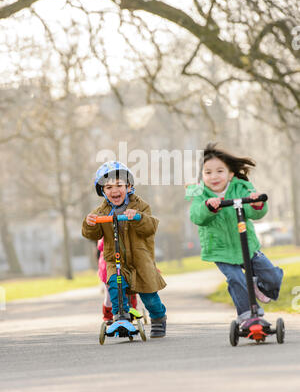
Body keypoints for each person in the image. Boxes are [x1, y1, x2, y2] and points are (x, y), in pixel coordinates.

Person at [186, 143, 283, 324]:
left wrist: (255, 203)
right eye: (208, 172)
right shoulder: (200, 193)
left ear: (230, 173)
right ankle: (247, 316)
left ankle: (258, 286)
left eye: (219, 171)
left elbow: (256, 213)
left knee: (272, 276)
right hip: (220, 250)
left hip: (247, 245)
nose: (214, 176)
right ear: (202, 176)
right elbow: (196, 216)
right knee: (236, 278)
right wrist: (208, 207)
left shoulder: (242, 187)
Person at [82, 161, 167, 338]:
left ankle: (158, 317)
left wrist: (138, 218)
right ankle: (121, 317)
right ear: (103, 191)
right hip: (115, 260)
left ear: (128, 187)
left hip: (140, 260)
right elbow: (92, 234)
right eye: (109, 187)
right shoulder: (101, 211)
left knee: (150, 297)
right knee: (115, 286)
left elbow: (151, 227)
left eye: (119, 185)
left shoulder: (140, 206)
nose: (114, 191)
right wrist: (89, 224)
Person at [97, 237, 139, 324]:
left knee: (128, 291)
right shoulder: (106, 234)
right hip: (108, 269)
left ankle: (130, 310)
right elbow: (100, 246)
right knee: (109, 295)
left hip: (124, 265)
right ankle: (108, 316)